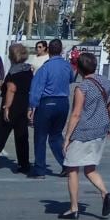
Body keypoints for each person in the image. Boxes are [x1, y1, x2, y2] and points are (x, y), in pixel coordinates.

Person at [59, 50, 110, 220]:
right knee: (90, 168)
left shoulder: (82, 88)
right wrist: (108, 124)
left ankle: (74, 207)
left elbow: (76, 114)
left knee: (72, 168)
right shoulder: (106, 82)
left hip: (83, 132)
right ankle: (105, 193)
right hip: (100, 130)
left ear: (79, 69)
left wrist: (67, 138)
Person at [0, 42, 32, 173]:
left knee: (1, 135)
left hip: (12, 105)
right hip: (23, 104)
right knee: (22, 136)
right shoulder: (28, 70)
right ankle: (24, 164)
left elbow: (11, 89)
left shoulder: (14, 71)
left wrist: (6, 107)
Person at [28, 38, 73, 178]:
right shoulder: (67, 66)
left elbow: (36, 88)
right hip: (63, 102)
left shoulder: (45, 67)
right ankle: (66, 165)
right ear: (61, 50)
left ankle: (40, 169)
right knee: (56, 135)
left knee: (40, 136)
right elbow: (71, 79)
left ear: (48, 50)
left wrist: (32, 106)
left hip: (47, 102)